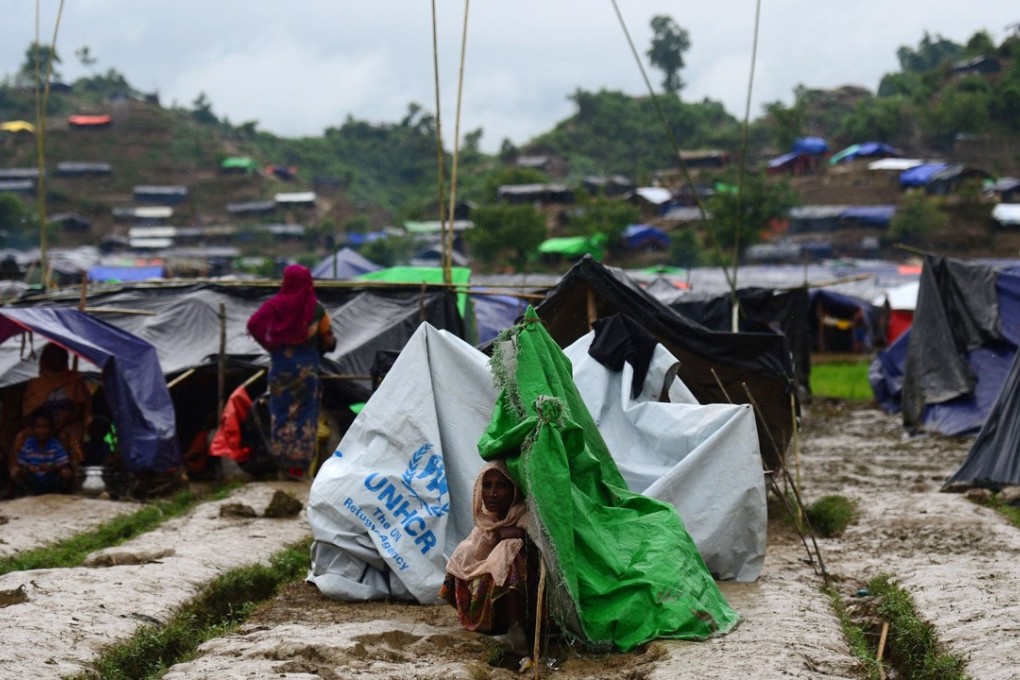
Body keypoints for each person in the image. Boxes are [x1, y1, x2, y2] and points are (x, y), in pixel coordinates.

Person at [246, 264, 336, 480]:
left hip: (280, 366)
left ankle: (283, 467)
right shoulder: (316, 310)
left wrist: (269, 344)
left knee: (281, 414)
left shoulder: (274, 307)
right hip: (307, 368)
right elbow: (328, 339)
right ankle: (302, 468)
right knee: (305, 415)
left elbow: (253, 324)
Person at [440, 460, 537, 654]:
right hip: (496, 614)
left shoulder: (526, 517)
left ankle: (517, 629)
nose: (492, 493)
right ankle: (485, 623)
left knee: (508, 552)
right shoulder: (487, 522)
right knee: (465, 551)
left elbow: (533, 543)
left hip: (531, 603)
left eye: (500, 486)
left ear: (514, 490)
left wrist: (517, 535)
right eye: (487, 485)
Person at [21, 342, 90, 469]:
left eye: (59, 356)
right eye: (51, 356)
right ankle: (24, 476)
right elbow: (29, 411)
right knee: (22, 437)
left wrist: (59, 425)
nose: (55, 360)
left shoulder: (74, 380)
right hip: (40, 423)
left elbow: (80, 410)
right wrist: (41, 425)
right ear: (45, 359)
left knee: (70, 436)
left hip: (68, 422)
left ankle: (68, 474)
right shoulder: (35, 383)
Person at [10, 409, 72, 495]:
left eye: (46, 427)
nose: (42, 430)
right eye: (38, 427)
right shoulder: (29, 443)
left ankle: (58, 493)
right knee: (15, 471)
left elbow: (63, 464)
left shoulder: (55, 444)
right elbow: (21, 462)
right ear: (32, 429)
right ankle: (27, 491)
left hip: (50, 478)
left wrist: (51, 467)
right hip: (33, 479)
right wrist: (29, 467)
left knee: (66, 472)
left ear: (51, 428)